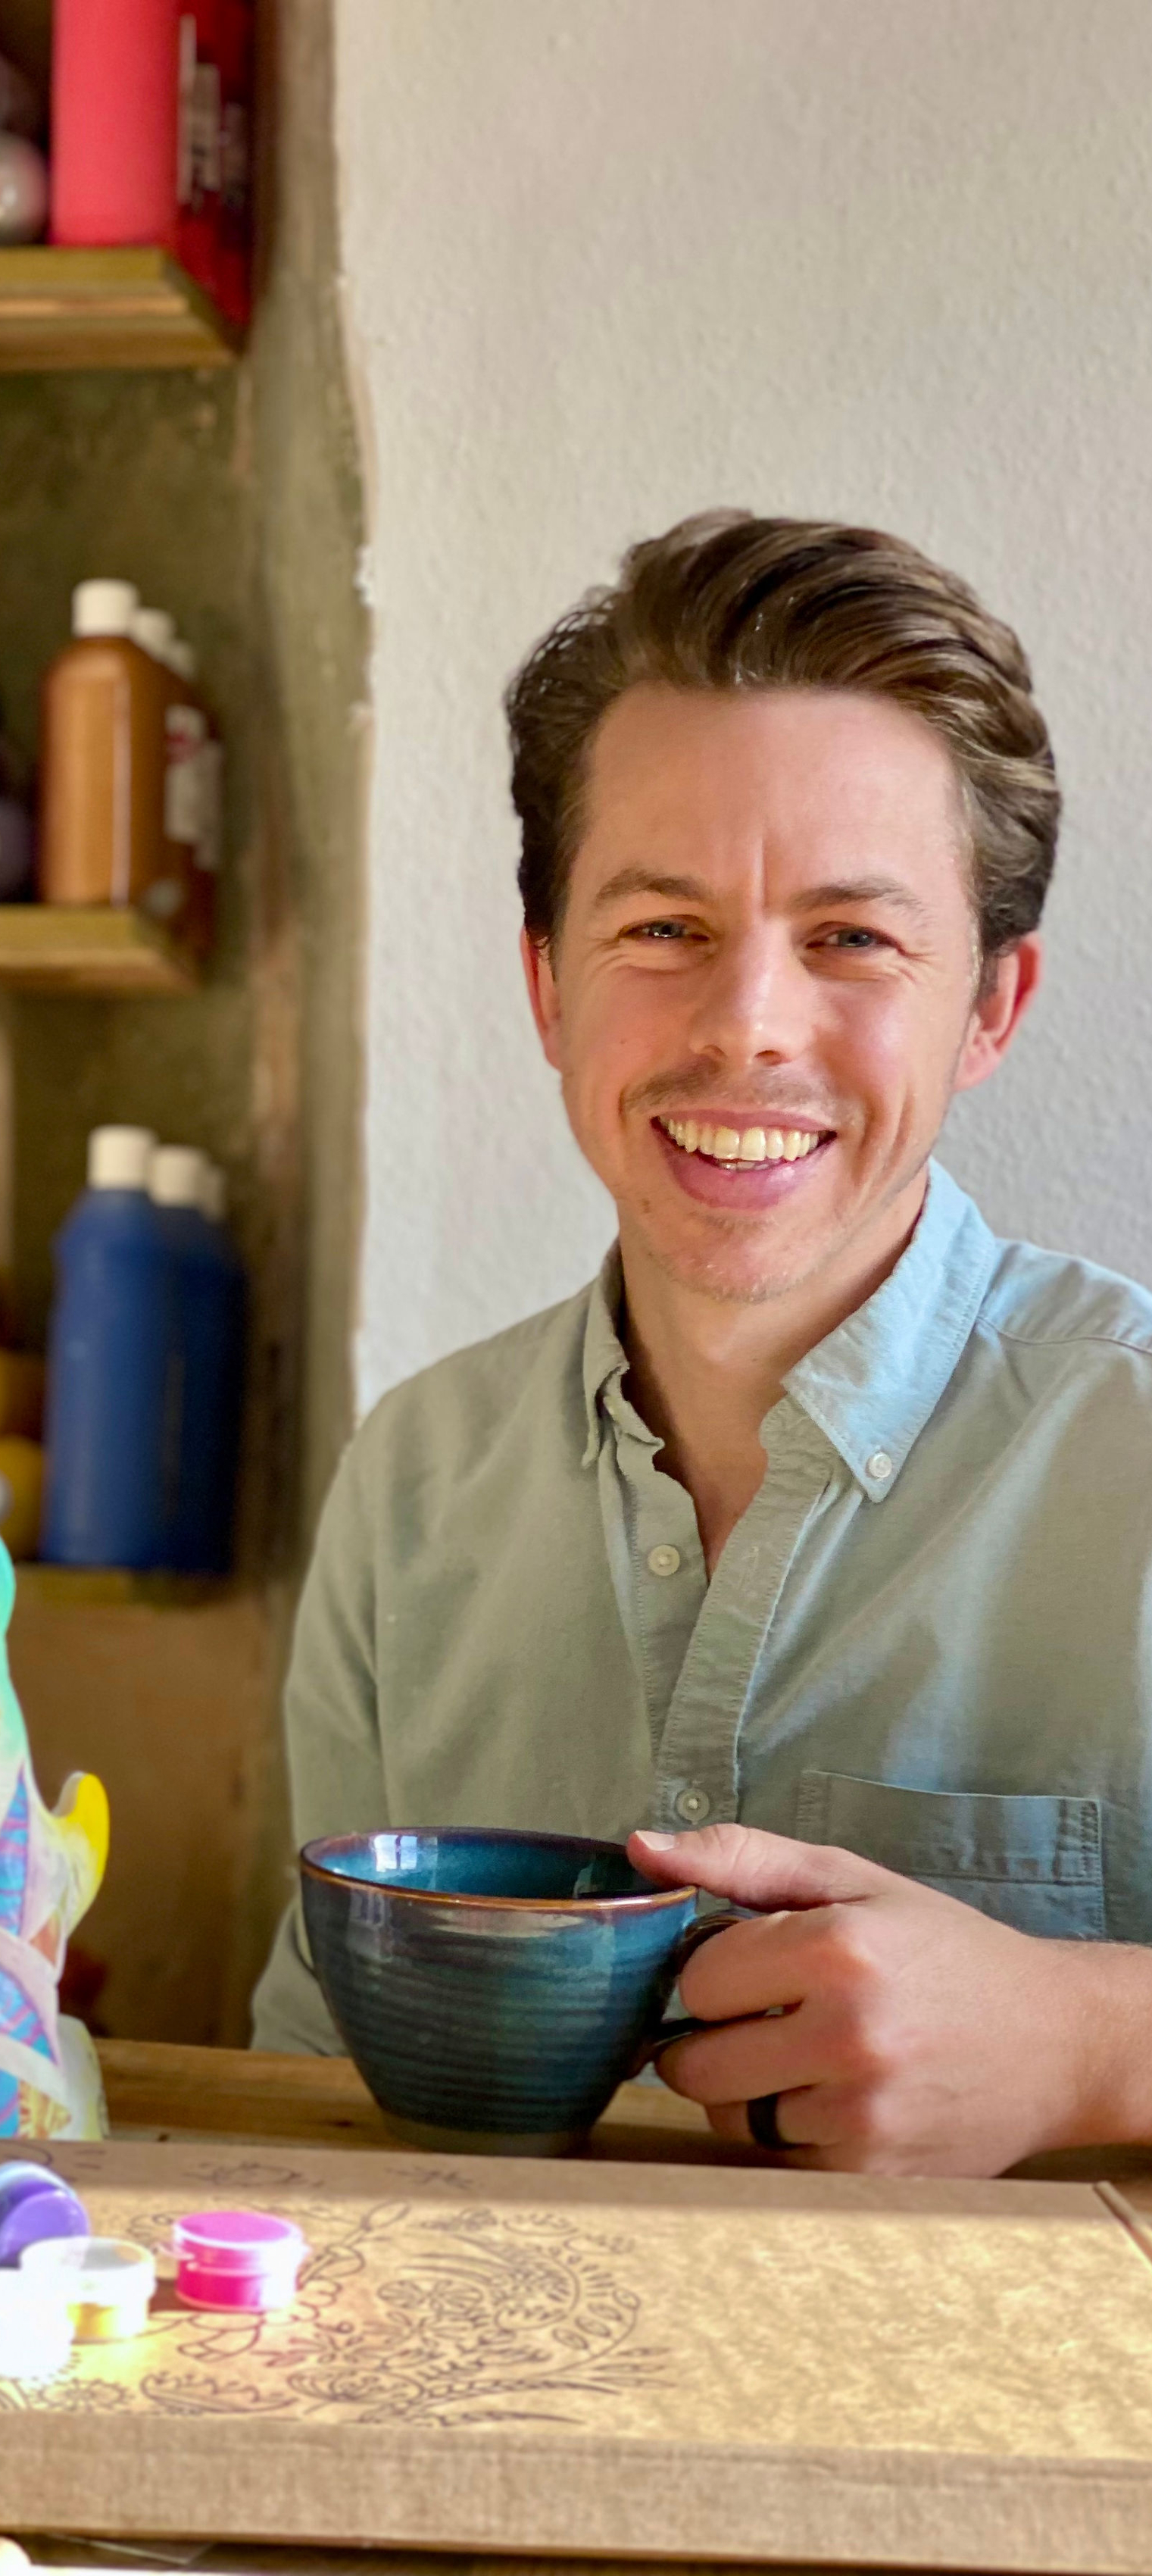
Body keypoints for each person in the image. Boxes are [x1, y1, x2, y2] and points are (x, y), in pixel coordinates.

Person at [251, 508, 1152, 2178]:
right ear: (547, 990)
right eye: (663, 929)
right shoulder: (413, 1483)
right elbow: (313, 2090)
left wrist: (1093, 2037)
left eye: (853, 939)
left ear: (994, 1009)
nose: (747, 1020)